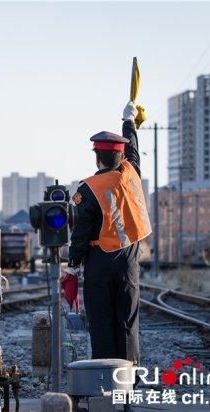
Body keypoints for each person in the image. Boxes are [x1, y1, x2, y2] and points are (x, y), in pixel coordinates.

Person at [66, 101, 151, 364]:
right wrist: (129, 122)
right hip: (129, 262)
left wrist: (73, 264)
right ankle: (128, 379)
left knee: (101, 321)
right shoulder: (131, 173)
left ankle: (104, 378)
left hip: (99, 262)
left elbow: (81, 233)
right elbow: (134, 150)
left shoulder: (90, 189)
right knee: (127, 321)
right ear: (121, 156)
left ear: (96, 156)